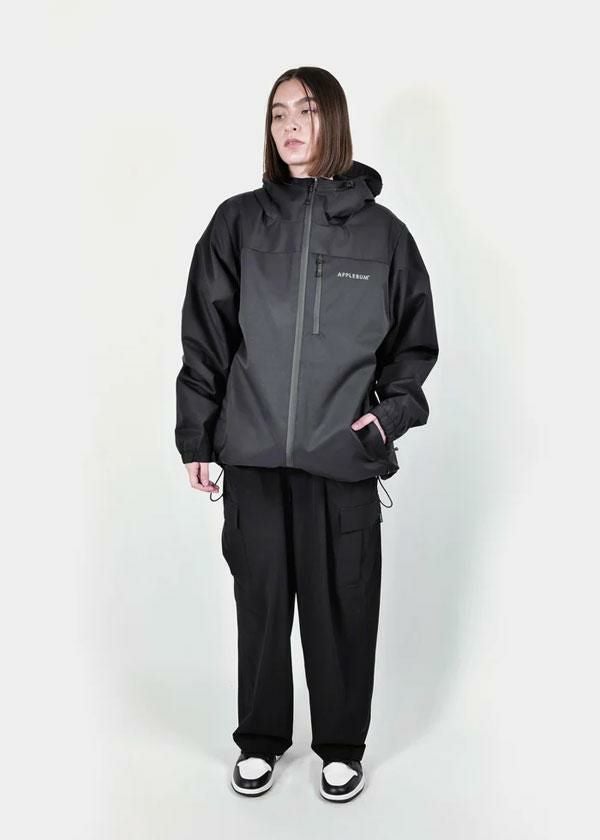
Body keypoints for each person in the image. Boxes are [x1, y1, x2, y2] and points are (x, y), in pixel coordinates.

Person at [175, 66, 439, 802]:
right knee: (261, 606)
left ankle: (341, 746)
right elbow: (206, 338)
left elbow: (414, 349)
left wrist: (386, 418)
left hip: (342, 460)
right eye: (278, 113)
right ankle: (259, 740)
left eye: (307, 111)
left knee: (343, 608)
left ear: (335, 121)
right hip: (254, 456)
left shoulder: (385, 237)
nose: (290, 125)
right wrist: (197, 436)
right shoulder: (237, 224)